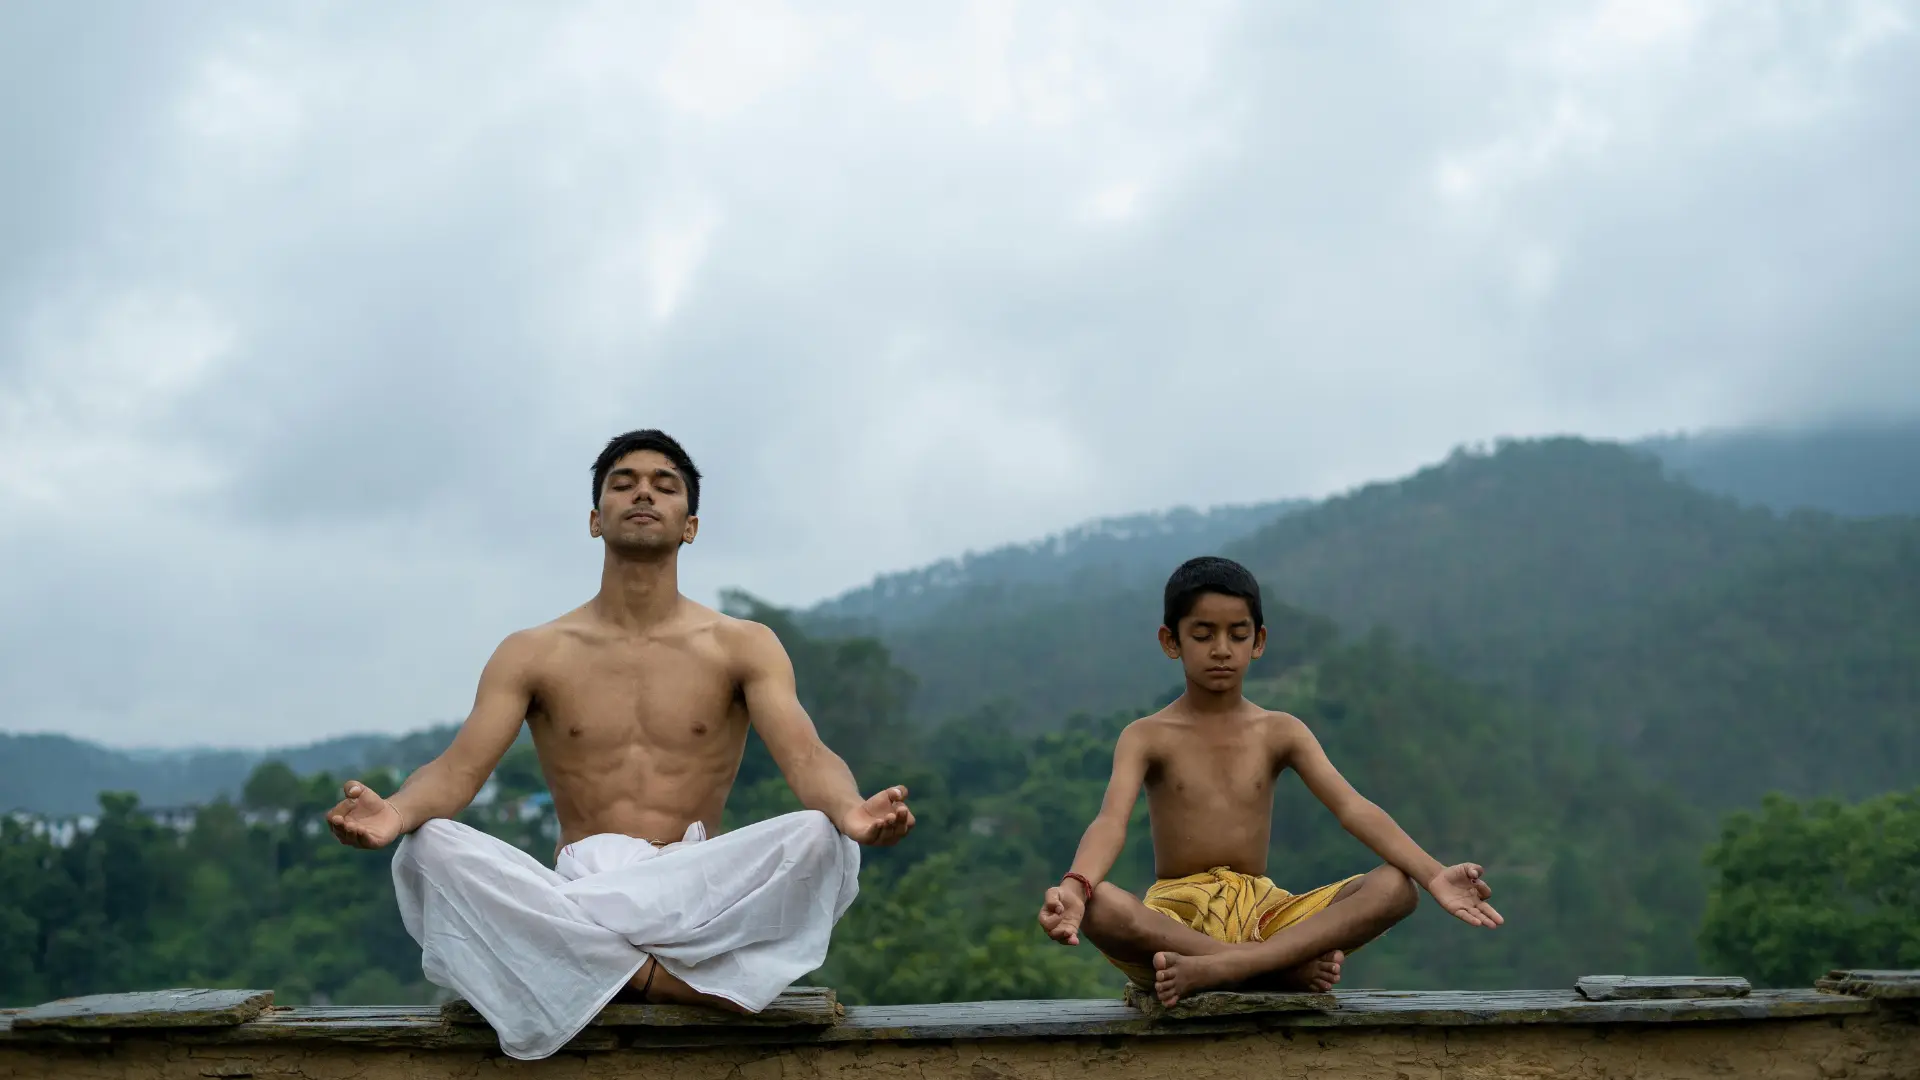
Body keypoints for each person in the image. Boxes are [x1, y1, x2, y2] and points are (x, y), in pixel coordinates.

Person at [326, 429, 916, 1060]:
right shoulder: (534, 651)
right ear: (593, 518)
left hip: (693, 896)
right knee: (426, 848)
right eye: (623, 482)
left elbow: (806, 757)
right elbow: (456, 772)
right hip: (578, 893)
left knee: (821, 838)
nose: (643, 493)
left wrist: (853, 811)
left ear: (689, 525)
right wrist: (394, 813)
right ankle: (651, 980)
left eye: (665, 486)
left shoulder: (741, 644)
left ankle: (586, 975)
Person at [1036, 556, 1501, 1007]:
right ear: (1170, 641)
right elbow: (1110, 822)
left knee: (1399, 888)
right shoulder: (1145, 736)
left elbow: (1352, 808)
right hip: (1175, 921)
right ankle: (1271, 969)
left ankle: (1230, 966)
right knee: (1102, 906)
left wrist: (1434, 872)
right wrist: (1075, 888)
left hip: (1265, 914)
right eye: (1203, 634)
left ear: (1258, 641)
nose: (1222, 649)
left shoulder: (1281, 730)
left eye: (1237, 635)